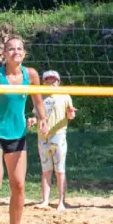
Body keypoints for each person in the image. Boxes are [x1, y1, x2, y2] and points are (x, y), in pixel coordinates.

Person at [0, 35, 46, 224]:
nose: (16, 52)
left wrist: (42, 118)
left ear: (24, 53)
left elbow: (38, 101)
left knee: (19, 185)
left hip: (17, 134)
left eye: (19, 48)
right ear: (4, 54)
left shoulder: (31, 75)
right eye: (12, 49)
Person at [35, 70, 76, 212]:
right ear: (43, 82)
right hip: (42, 136)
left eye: (54, 80)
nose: (51, 83)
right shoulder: (39, 97)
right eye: (48, 80)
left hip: (58, 135)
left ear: (59, 82)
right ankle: (45, 200)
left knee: (60, 170)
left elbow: (71, 116)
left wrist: (71, 113)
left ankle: (61, 202)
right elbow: (36, 116)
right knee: (46, 170)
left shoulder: (65, 95)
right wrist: (32, 120)